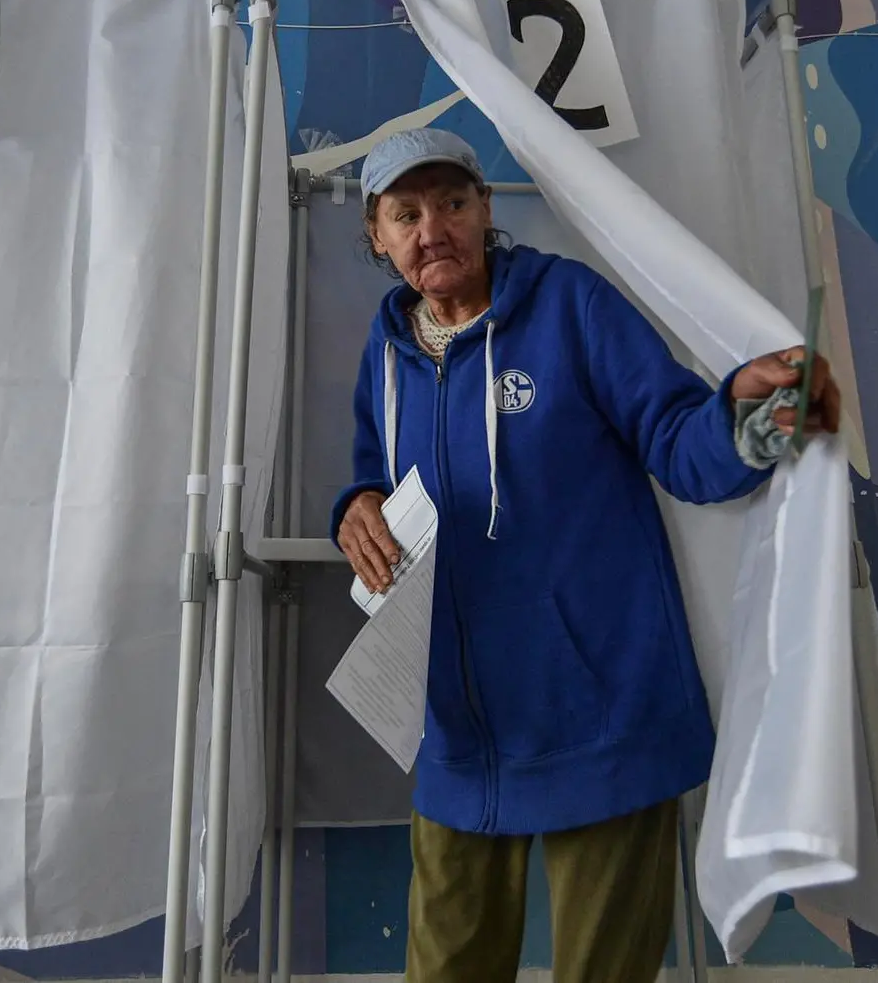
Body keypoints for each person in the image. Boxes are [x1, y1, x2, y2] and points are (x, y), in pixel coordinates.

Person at [332, 128, 839, 983]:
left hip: (602, 714)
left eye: (452, 202)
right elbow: (371, 473)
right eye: (405, 213)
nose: (433, 229)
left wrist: (745, 418)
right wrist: (357, 506)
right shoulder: (384, 353)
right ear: (377, 236)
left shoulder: (571, 305)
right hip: (461, 733)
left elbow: (678, 441)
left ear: (486, 209)